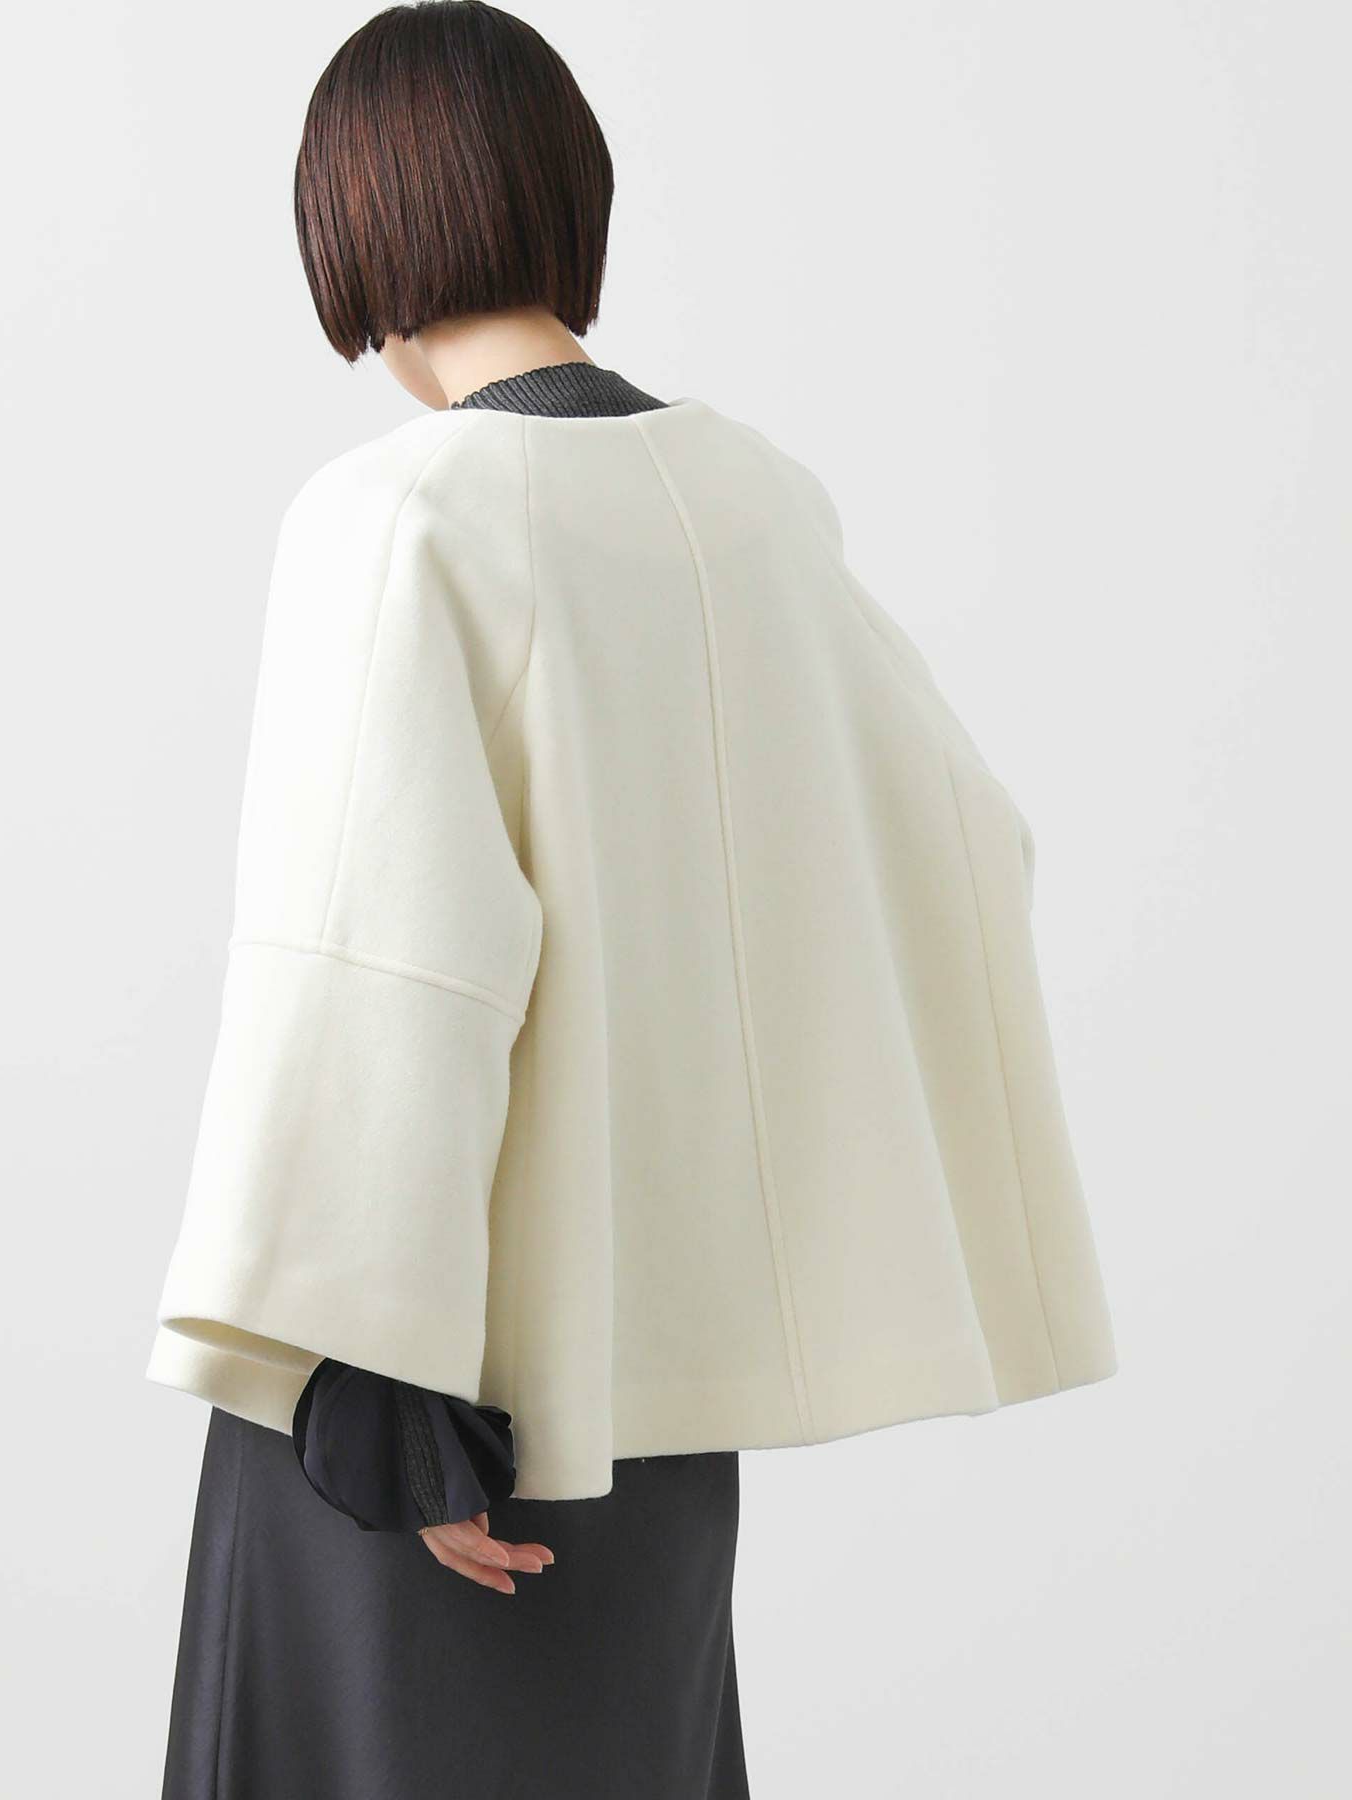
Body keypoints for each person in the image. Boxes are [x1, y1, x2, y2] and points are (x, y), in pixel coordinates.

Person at [147, 5, 1118, 1795]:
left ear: (357, 223)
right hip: (646, 1423)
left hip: (419, 1406)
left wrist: (379, 1403)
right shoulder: (757, 506)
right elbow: (960, 842)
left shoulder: (399, 517)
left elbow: (368, 965)